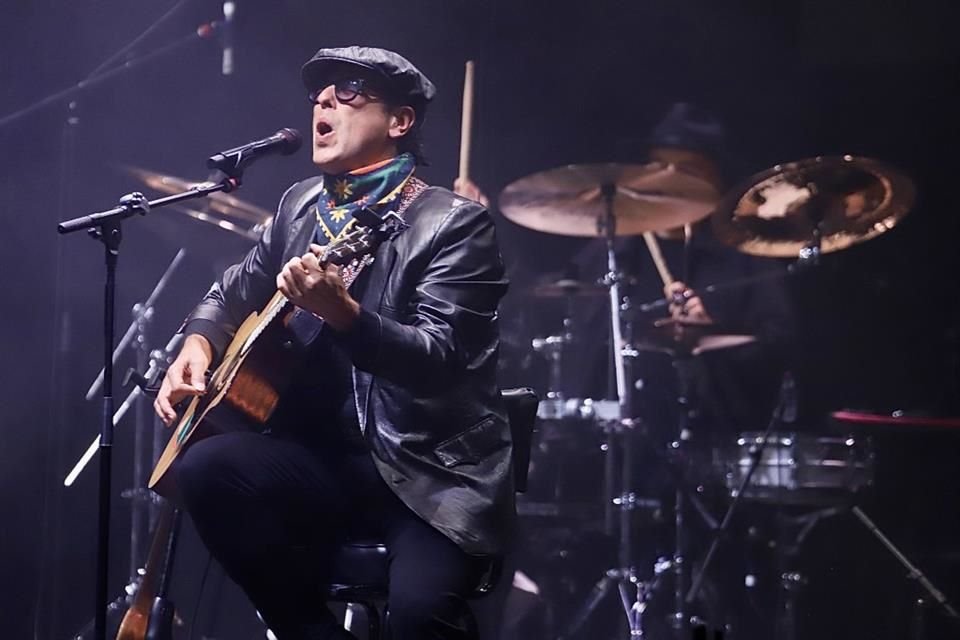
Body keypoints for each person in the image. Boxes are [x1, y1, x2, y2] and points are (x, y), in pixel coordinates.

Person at [154, 46, 513, 640]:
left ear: (399, 122)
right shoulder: (301, 206)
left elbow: (440, 362)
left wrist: (346, 316)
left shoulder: (452, 224)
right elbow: (229, 293)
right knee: (207, 466)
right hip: (320, 465)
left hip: (423, 476)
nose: (322, 100)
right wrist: (196, 342)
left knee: (420, 620)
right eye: (319, 92)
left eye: (348, 91)